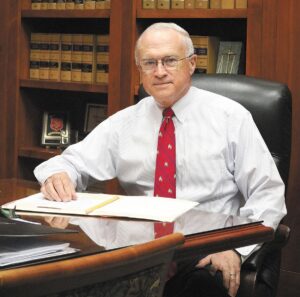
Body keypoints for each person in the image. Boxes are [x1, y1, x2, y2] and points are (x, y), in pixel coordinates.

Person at [34, 23, 286, 297]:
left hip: (206, 249)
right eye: (149, 63)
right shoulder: (124, 123)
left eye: (169, 61)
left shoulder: (230, 118)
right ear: (140, 70)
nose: (160, 71)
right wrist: (58, 175)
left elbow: (268, 194)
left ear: (192, 64)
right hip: (139, 253)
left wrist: (236, 248)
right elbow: (69, 162)